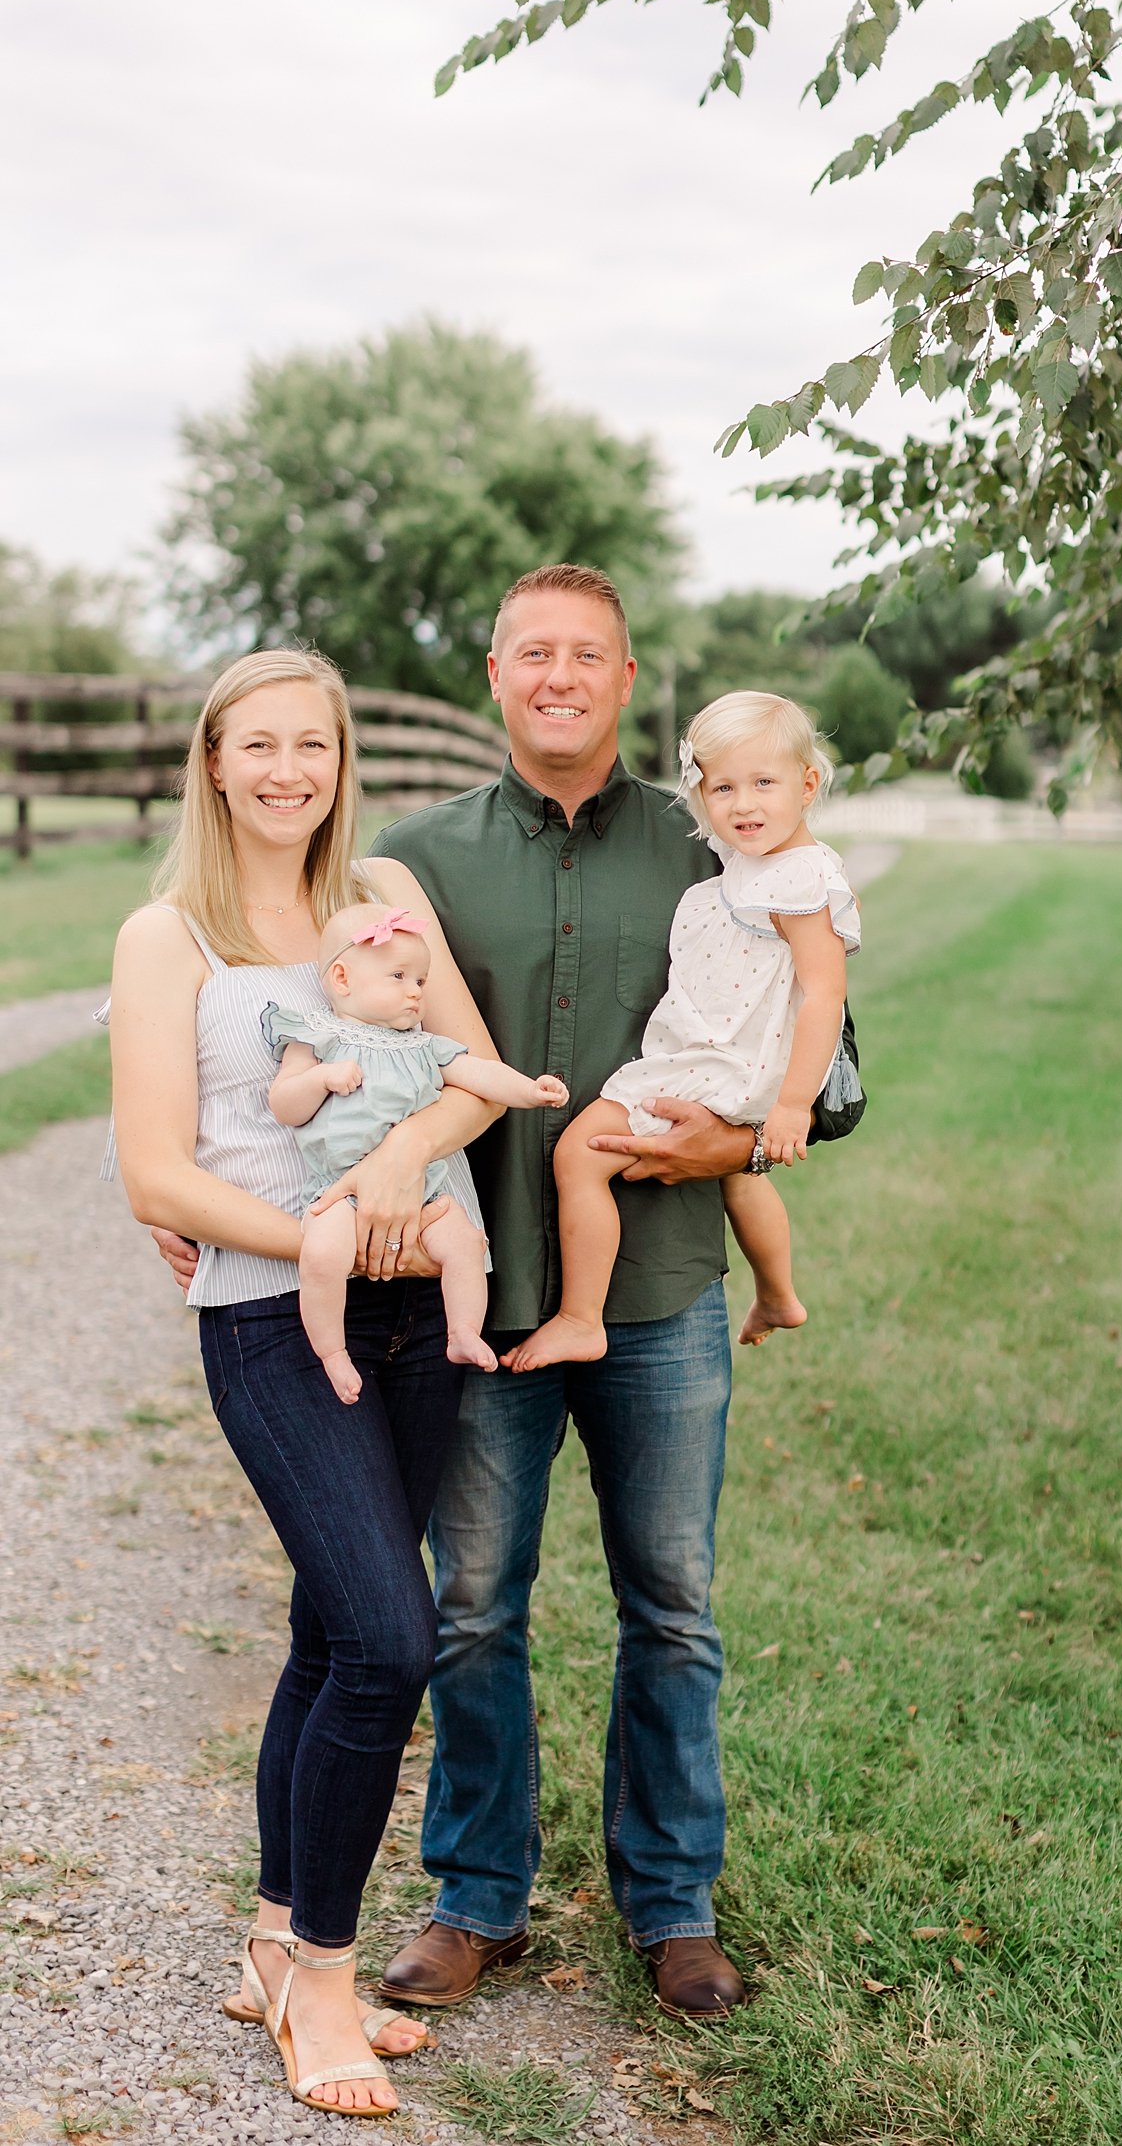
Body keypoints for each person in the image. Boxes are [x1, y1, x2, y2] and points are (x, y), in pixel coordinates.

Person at [361, 565, 860, 2023]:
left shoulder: (713, 841)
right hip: (477, 1294)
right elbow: (333, 1025)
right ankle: (475, 1898)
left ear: (628, 677)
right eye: (535, 652)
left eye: (590, 653)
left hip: (661, 1294)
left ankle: (672, 1901)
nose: (561, 674)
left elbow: (821, 1052)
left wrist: (749, 1132)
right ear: (497, 672)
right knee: (470, 1609)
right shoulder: (416, 857)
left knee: (676, 1607)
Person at [112, 646, 516, 2119]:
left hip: (419, 1318)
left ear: (343, 762)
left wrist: (403, 1170)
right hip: (276, 1319)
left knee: (329, 1629)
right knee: (392, 1638)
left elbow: (480, 1072)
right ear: (212, 761)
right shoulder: (172, 937)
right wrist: (324, 1237)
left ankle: (278, 1937)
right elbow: (156, 1167)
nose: (287, 769)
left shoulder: (384, 911)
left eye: (314, 745)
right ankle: (331, 1984)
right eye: (257, 744)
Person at [501, 689, 860, 1372]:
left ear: (807, 784)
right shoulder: (755, 866)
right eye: (722, 787)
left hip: (717, 1064)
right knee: (741, 1182)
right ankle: (779, 1296)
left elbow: (824, 995)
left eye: (763, 783)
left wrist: (790, 1105)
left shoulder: (803, 879)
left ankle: (581, 1317)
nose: (743, 804)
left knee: (579, 1155)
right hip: (726, 1062)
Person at [264, 900, 567, 1401]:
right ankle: (333, 1353)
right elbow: (284, 1105)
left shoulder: (424, 1046)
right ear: (342, 978)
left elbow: (481, 1075)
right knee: (321, 1256)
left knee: (467, 1245)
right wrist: (321, 1078)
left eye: (421, 981)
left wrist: (529, 1090)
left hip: (424, 1194)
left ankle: (463, 1332)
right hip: (338, 1192)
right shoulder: (317, 1037)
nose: (415, 992)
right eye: (399, 976)